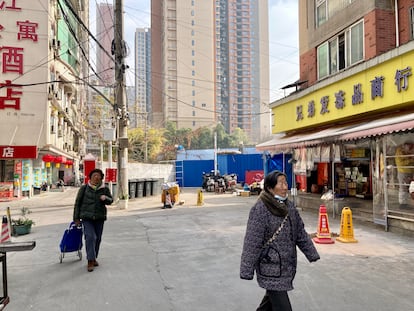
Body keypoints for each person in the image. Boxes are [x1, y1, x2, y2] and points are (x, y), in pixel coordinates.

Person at [240, 170, 320, 311]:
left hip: (286, 266)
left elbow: (300, 232)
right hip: (269, 266)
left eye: (285, 182)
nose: (285, 187)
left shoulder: (289, 207)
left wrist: (311, 253)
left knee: (269, 304)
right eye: (281, 183)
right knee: (283, 307)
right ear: (270, 188)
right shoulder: (260, 209)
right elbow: (252, 242)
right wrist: (247, 270)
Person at [73, 169, 113, 272]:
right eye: (94, 175)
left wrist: (106, 199)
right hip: (87, 218)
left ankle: (94, 257)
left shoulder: (104, 189)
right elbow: (77, 203)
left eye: (98, 176)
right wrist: (76, 218)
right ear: (90, 177)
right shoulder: (84, 188)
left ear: (101, 178)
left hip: (99, 218)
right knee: (90, 237)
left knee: (98, 239)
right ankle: (90, 260)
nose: (96, 177)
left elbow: (111, 200)